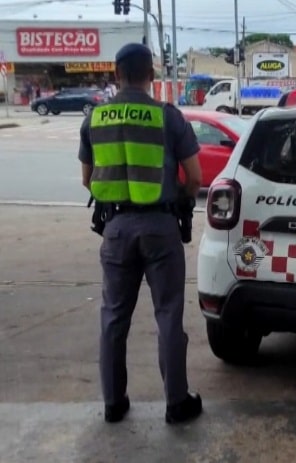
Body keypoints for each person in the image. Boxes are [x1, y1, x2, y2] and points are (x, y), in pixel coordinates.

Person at [78, 43, 204, 425]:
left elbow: (87, 180)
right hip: (160, 227)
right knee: (168, 315)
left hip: (115, 228)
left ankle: (114, 403)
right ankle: (176, 403)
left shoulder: (95, 119)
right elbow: (195, 178)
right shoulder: (167, 117)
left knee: (113, 318)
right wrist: (176, 202)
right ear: (151, 74)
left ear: (116, 75)